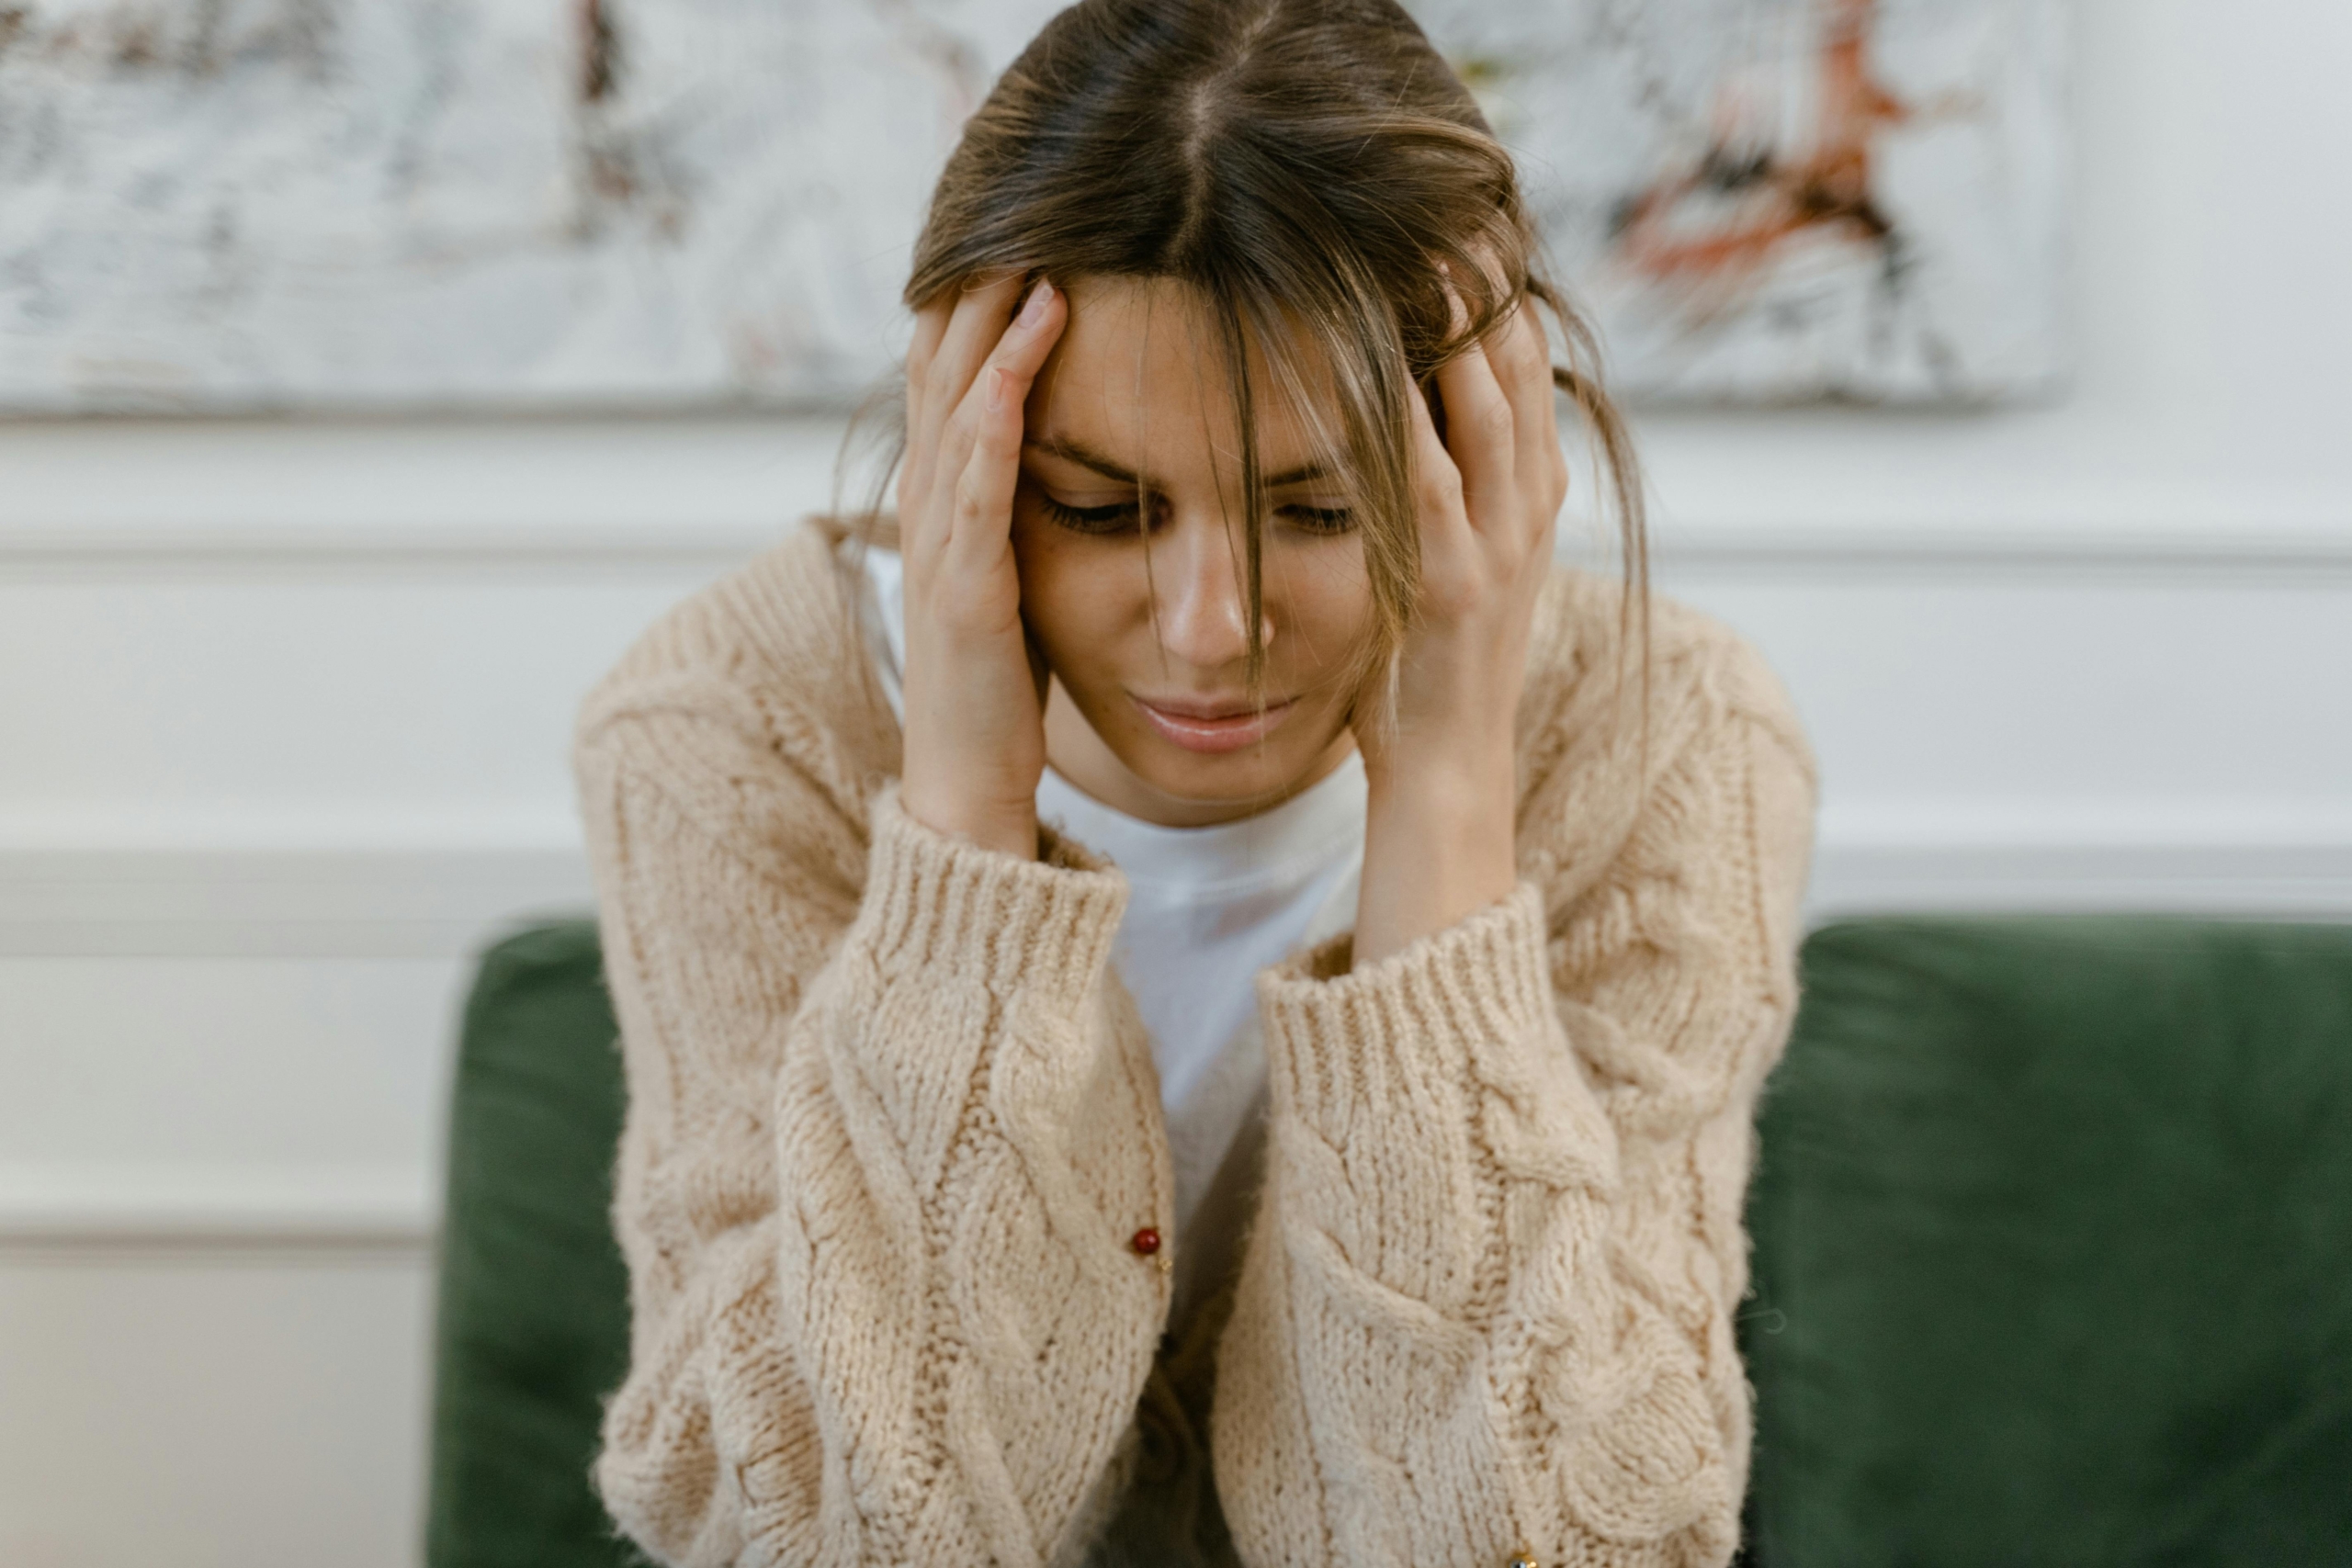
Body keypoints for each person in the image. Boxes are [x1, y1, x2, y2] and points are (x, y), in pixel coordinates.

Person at [570, 1, 1820, 1563]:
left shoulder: (1663, 739)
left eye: (1315, 509)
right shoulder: (738, 731)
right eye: (1101, 510)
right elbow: (819, 1536)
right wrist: (962, 831)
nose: (1212, 629)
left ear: (1486, 451)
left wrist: (1443, 804)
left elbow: (1571, 1541)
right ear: (969, 443)